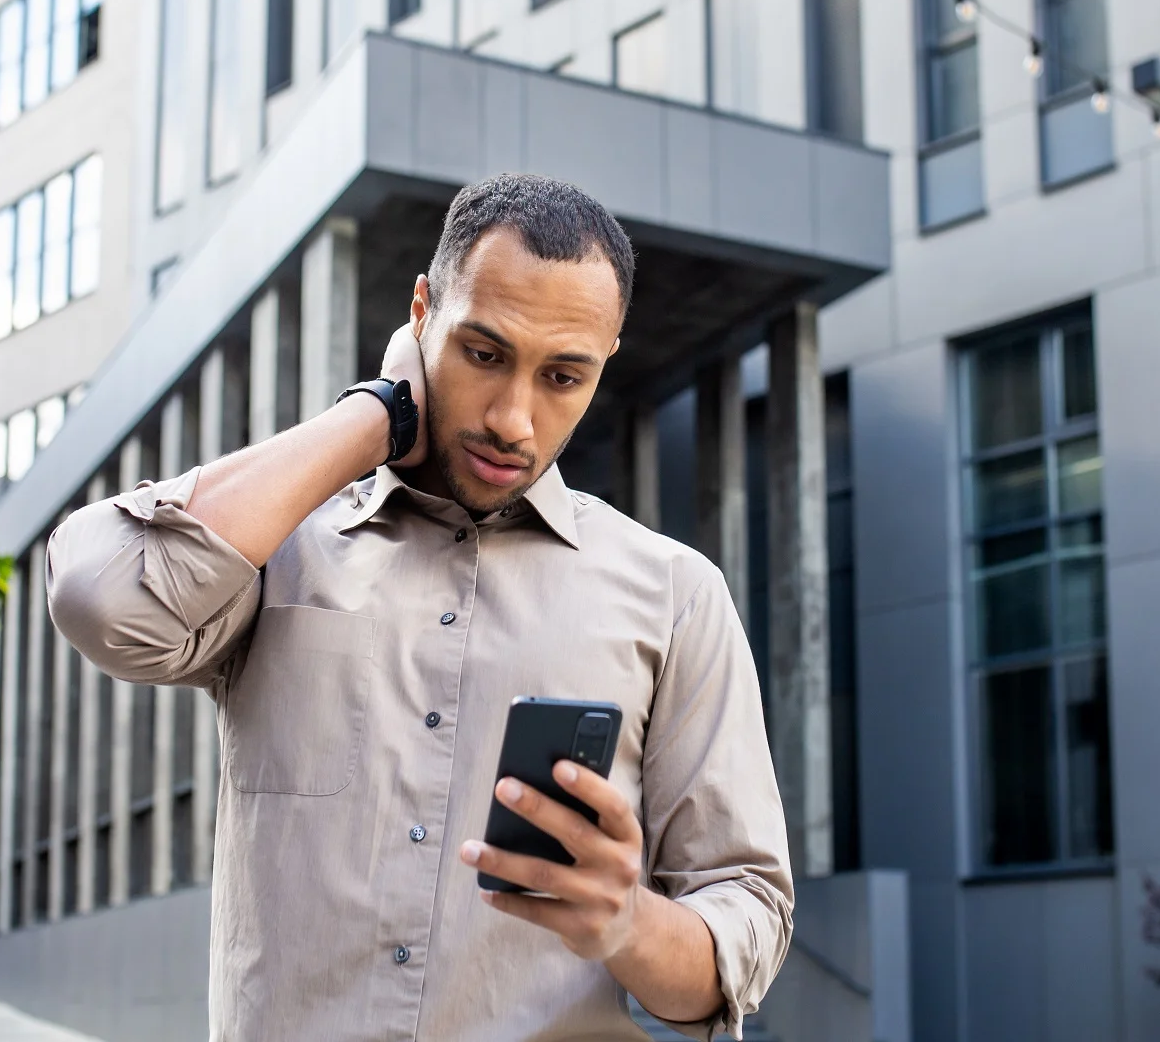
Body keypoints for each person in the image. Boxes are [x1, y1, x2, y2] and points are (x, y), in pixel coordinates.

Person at [48, 174, 793, 1041]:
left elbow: (748, 921)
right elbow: (100, 597)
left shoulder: (676, 596)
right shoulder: (276, 545)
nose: (515, 419)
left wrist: (628, 921)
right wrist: (376, 415)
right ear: (421, 312)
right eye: (482, 353)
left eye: (563, 375)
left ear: (605, 360)